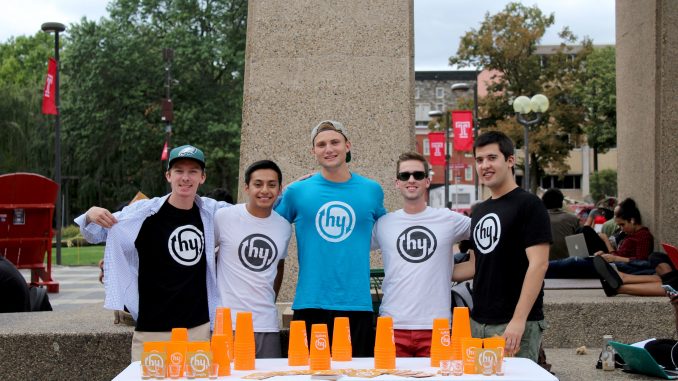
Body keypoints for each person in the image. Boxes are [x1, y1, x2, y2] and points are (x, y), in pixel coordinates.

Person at [75, 145, 231, 361]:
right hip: (152, 330)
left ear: (202, 177)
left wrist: (287, 190)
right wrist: (90, 214)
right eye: (179, 171)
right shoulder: (144, 213)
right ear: (168, 175)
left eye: (193, 171)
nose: (186, 178)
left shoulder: (211, 212)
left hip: (197, 329)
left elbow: (253, 210)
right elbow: (95, 232)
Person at [275, 120, 386, 356]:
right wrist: (281, 192)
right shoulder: (297, 192)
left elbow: (390, 232)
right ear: (313, 152)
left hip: (356, 303)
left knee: (356, 374)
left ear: (347, 145)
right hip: (310, 301)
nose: (329, 149)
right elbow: (266, 227)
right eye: (321, 144)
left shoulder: (372, 190)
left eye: (335, 142)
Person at [372, 152, 472, 357]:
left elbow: (487, 234)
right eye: (404, 175)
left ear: (427, 181)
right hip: (392, 325)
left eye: (418, 175)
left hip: (438, 327)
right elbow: (349, 245)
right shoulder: (383, 223)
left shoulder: (448, 219)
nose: (411, 179)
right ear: (396, 183)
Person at [469, 131, 551, 362]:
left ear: (510, 160)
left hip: (514, 325)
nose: (485, 165)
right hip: (479, 323)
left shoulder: (529, 205)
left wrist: (518, 320)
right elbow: (476, 266)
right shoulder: (479, 211)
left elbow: (539, 264)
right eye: (479, 160)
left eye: (492, 158)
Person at [214, 160, 291, 358]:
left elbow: (279, 267)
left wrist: (270, 300)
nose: (265, 190)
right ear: (247, 187)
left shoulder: (283, 226)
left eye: (271, 185)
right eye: (258, 184)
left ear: (280, 189)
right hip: (227, 325)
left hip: (266, 324)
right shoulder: (223, 217)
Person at [546, 198, 655, 278]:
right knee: (572, 262)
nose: (622, 228)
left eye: (622, 225)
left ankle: (539, 270)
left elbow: (643, 261)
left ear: (632, 220)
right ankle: (538, 269)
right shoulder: (631, 235)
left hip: (616, 267)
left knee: (573, 263)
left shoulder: (643, 235)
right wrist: (605, 255)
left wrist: (615, 258)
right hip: (612, 264)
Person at [542, 188, 580, 261]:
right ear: (561, 202)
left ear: (543, 202)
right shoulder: (573, 219)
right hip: (568, 264)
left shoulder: (535, 218)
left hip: (543, 264)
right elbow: (578, 248)